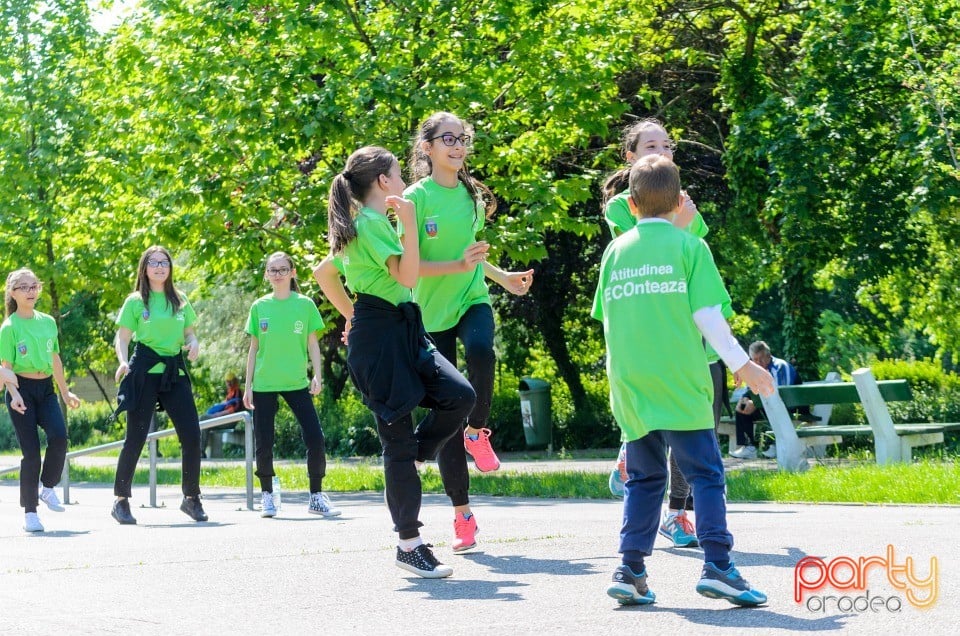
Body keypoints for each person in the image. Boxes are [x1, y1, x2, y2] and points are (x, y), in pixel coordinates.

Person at [594, 155, 773, 607]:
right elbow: (708, 317)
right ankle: (718, 567)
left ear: (630, 204)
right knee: (707, 475)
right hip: (680, 380)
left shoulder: (615, 252)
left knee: (644, 478)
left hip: (631, 385)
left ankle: (630, 567)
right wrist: (743, 365)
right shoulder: (690, 247)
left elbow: (608, 320)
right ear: (679, 204)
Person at [314, 146, 476, 579]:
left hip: (401, 326)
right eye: (399, 175)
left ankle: (414, 455)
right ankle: (410, 543)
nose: (404, 182)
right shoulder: (369, 223)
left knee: (460, 396)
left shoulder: (361, 224)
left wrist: (353, 315)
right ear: (383, 183)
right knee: (397, 442)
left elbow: (323, 273)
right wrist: (407, 225)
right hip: (381, 335)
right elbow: (407, 276)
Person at [403, 111, 534, 552]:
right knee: (447, 412)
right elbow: (409, 265)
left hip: (470, 298)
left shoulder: (472, 196)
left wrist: (502, 278)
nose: (458, 146)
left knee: (482, 350)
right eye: (448, 139)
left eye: (463, 138)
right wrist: (458, 264)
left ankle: (479, 431)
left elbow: (472, 256)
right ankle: (463, 514)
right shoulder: (414, 199)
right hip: (429, 312)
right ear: (427, 148)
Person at [602, 119, 710, 549]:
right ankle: (631, 453)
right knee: (654, 420)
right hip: (641, 324)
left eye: (667, 146)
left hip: (679, 320)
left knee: (690, 416)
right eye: (651, 146)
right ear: (630, 159)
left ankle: (677, 514)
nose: (662, 152)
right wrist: (680, 224)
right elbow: (646, 250)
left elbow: (692, 256)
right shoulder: (620, 208)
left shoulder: (686, 205)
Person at [111, 246, 208, 525]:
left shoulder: (180, 300)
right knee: (136, 437)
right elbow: (123, 337)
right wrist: (122, 361)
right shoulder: (134, 301)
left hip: (174, 371)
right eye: (153, 262)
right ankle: (121, 500)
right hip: (143, 370)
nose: (159, 266)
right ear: (144, 268)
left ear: (170, 267)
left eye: (164, 262)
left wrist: (194, 344)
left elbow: (189, 334)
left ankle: (191, 498)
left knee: (191, 434)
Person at [243, 251, 340, 519]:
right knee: (265, 442)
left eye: (282, 269)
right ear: (266, 274)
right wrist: (248, 385)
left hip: (296, 382)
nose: (277, 274)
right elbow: (253, 349)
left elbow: (312, 343)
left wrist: (317, 375)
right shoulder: (259, 307)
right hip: (264, 383)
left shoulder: (305, 304)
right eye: (272, 270)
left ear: (292, 272)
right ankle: (267, 494)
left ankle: (316, 495)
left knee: (315, 437)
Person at [1, 269, 81, 533]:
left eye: (34, 286)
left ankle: (47, 487)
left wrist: (65, 392)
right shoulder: (9, 328)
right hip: (21, 389)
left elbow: (55, 359)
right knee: (31, 454)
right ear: (12, 293)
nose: (31, 291)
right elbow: (6, 367)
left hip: (45, 389)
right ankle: (30, 513)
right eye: (24, 287)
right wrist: (14, 395)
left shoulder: (47, 322)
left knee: (59, 437)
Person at [731, 340, 810, 459]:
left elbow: (781, 394)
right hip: (769, 404)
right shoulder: (754, 370)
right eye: (755, 360)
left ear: (768, 355)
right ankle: (748, 447)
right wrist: (746, 399)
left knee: (773, 407)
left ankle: (776, 444)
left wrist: (756, 403)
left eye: (761, 358)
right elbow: (750, 389)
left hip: (793, 407)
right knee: (742, 408)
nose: (759, 362)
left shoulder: (780, 366)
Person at [200, 371, 242, 458]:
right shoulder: (230, 393)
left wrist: (218, 414)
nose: (229, 383)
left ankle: (200, 450)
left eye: (231, 381)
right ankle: (200, 450)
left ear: (235, 381)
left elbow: (234, 409)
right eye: (227, 381)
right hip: (225, 419)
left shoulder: (237, 392)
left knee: (203, 419)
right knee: (204, 422)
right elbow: (225, 405)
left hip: (230, 420)